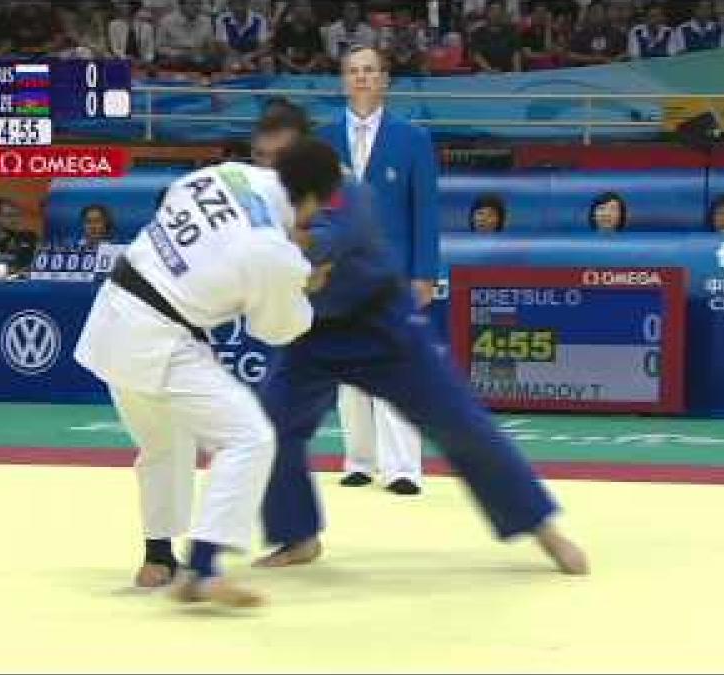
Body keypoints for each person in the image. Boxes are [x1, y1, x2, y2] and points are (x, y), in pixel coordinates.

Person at [248, 101, 589, 576]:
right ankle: (297, 534)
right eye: (261, 157)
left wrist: (270, 246)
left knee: (461, 424)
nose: (271, 167)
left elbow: (306, 256)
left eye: (280, 155)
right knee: (268, 427)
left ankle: (544, 529)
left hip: (383, 329)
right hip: (314, 336)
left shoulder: (345, 192)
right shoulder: (259, 200)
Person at [73, 138, 342, 608]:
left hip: (113, 311)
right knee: (250, 437)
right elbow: (278, 329)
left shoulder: (224, 174)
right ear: (315, 200)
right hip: (158, 336)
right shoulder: (273, 251)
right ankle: (203, 566)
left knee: (164, 441)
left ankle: (158, 557)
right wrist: (304, 282)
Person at [316, 46, 438, 496]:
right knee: (349, 365)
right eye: (353, 71)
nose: (362, 78)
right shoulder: (324, 138)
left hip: (395, 270)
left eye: (370, 70)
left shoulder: (413, 138)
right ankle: (359, 459)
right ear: (343, 80)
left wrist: (425, 272)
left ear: (385, 79)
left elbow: (425, 210)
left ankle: (403, 466)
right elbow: (316, 209)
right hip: (342, 270)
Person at [0, 197, 37, 274]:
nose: (15, 220)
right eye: (10, 215)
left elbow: (24, 265)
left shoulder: (27, 237)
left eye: (18, 215)